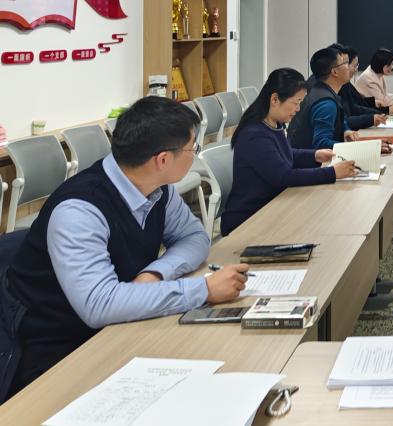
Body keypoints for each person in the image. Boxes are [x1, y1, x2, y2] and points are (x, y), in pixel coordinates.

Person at [0, 97, 248, 400]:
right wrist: (203, 290)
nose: (194, 154)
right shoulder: (79, 210)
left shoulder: (156, 188)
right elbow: (99, 305)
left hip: (118, 324)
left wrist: (156, 273)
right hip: (55, 347)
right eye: (191, 148)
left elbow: (194, 238)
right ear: (162, 160)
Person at [220, 68, 358, 237]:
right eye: (296, 102)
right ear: (275, 99)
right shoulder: (254, 134)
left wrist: (315, 155)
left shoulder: (274, 123)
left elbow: (282, 154)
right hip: (248, 219)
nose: (298, 109)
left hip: (272, 205)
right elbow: (284, 176)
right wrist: (332, 173)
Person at [287, 46, 359, 150]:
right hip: (309, 159)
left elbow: (340, 121)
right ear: (334, 72)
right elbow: (321, 143)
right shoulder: (326, 103)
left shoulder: (319, 91)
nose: (349, 67)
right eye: (345, 63)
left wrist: (345, 130)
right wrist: (357, 148)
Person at [331, 44, 387, 131]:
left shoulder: (342, 84)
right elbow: (341, 122)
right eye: (345, 64)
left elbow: (353, 107)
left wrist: (379, 113)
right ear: (334, 70)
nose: (347, 68)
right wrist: (373, 118)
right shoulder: (325, 93)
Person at [354, 48, 393, 114]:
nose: (392, 67)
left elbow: (383, 95)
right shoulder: (368, 78)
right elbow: (382, 103)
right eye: (390, 64)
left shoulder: (377, 73)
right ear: (381, 64)